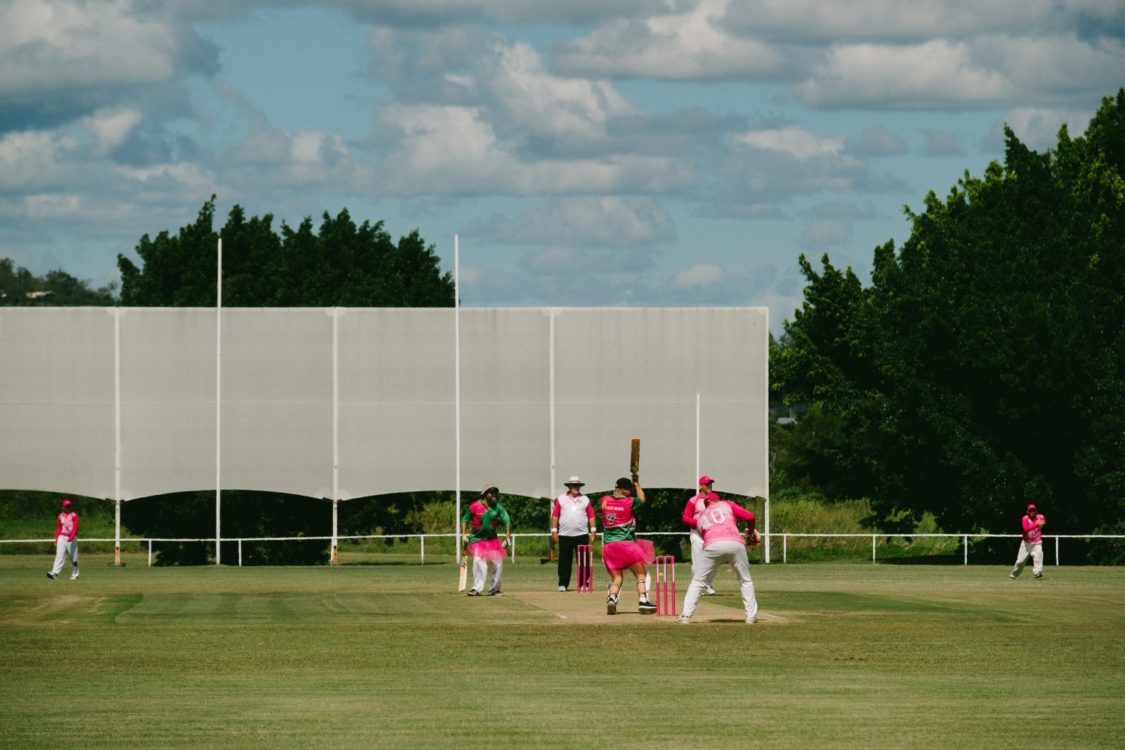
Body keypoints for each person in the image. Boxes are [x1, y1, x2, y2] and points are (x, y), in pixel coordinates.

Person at [676, 493, 760, 624]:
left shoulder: (701, 517)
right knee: (745, 580)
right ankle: (751, 616)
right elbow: (750, 516)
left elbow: (705, 536)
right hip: (735, 543)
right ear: (717, 500)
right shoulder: (728, 504)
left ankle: (686, 616)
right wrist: (749, 534)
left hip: (712, 545)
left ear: (706, 504)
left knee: (698, 581)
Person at [599, 477, 657, 615]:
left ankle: (612, 598)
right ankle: (643, 600)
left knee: (617, 578)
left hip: (609, 547)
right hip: (626, 545)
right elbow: (642, 499)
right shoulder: (629, 502)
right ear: (625, 490)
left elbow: (608, 506)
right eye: (629, 490)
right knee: (641, 574)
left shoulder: (605, 500)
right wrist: (637, 485)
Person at [461, 485, 512, 596]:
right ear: (484, 494)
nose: (494, 495)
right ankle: (476, 589)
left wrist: (508, 538)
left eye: (495, 493)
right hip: (477, 539)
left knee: (498, 563)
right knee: (479, 562)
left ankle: (494, 590)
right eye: (491, 493)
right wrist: (463, 534)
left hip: (491, 540)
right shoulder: (475, 506)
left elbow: (507, 521)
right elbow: (464, 519)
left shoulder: (498, 507)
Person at [550, 476, 597, 592]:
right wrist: (554, 531)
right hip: (565, 535)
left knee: (583, 561)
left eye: (578, 486)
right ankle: (563, 584)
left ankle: (583, 584)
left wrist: (593, 531)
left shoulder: (585, 499)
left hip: (582, 534)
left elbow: (591, 516)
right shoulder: (561, 499)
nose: (576, 488)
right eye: (574, 486)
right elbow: (555, 516)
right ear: (569, 487)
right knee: (564, 561)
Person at [682, 475, 719, 596]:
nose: (709, 486)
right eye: (707, 484)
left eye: (710, 484)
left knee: (714, 560)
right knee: (697, 561)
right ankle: (698, 586)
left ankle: (707, 583)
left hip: (711, 534)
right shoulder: (693, 500)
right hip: (697, 534)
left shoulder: (715, 499)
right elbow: (685, 517)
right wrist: (698, 524)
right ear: (701, 486)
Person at [1010, 503, 1047, 579]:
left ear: (1036, 511)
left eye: (1033, 510)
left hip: (1037, 542)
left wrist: (1043, 522)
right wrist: (1036, 525)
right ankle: (1013, 575)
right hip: (1026, 543)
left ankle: (1037, 572)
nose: (1032, 512)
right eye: (1030, 510)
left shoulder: (1040, 517)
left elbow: (1044, 521)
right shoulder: (1025, 518)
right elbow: (1026, 529)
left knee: (1038, 554)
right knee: (1020, 561)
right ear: (1027, 511)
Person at [47, 498, 80, 580]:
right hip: (62, 537)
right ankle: (55, 573)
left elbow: (75, 527)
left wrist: (71, 537)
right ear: (63, 507)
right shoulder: (60, 516)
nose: (68, 507)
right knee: (59, 556)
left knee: (73, 558)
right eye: (66, 506)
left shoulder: (74, 515)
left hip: (71, 538)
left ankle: (75, 574)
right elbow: (58, 528)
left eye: (69, 506)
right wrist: (56, 539)